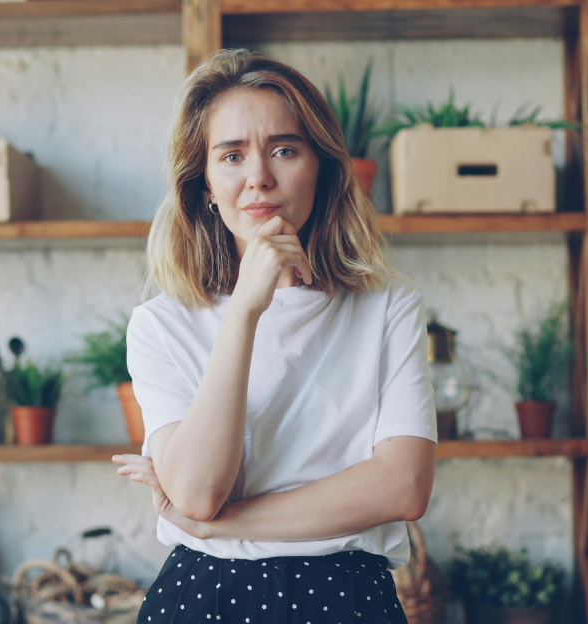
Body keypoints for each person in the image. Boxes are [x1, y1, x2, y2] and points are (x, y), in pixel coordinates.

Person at [111, 48, 437, 624]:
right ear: (206, 185)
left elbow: (403, 487)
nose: (259, 176)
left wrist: (224, 524)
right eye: (231, 155)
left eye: (284, 149)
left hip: (349, 598)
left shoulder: (388, 307)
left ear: (323, 168)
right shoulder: (161, 324)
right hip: (204, 597)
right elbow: (197, 494)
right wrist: (244, 312)